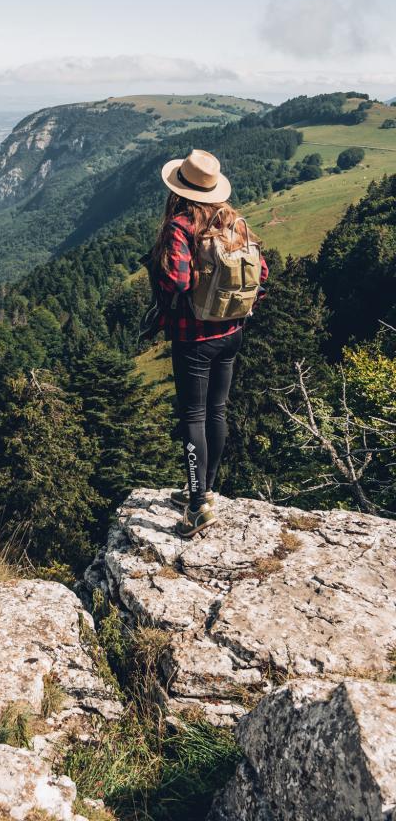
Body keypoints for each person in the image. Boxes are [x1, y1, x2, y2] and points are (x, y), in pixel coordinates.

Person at [153, 148, 268, 538]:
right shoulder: (236, 223)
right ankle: (206, 490)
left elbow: (178, 282)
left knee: (192, 417)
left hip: (194, 337)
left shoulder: (181, 227)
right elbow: (261, 274)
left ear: (180, 189)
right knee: (216, 411)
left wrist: (171, 291)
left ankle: (197, 504)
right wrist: (235, 308)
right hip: (231, 335)